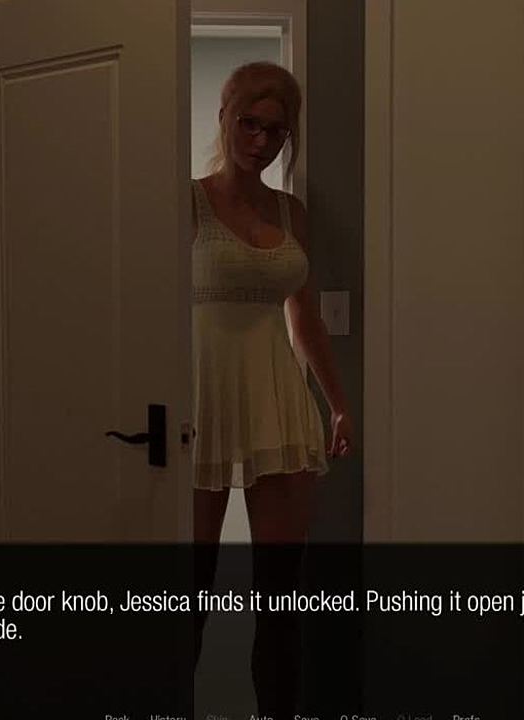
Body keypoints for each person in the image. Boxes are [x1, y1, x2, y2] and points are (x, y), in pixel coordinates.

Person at [189, 61, 354, 715]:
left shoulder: (292, 212)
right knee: (188, 594)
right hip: (200, 405)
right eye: (249, 124)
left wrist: (338, 404)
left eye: (276, 131)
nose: (260, 141)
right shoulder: (186, 201)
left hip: (279, 404)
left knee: (281, 599)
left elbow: (303, 318)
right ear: (224, 118)